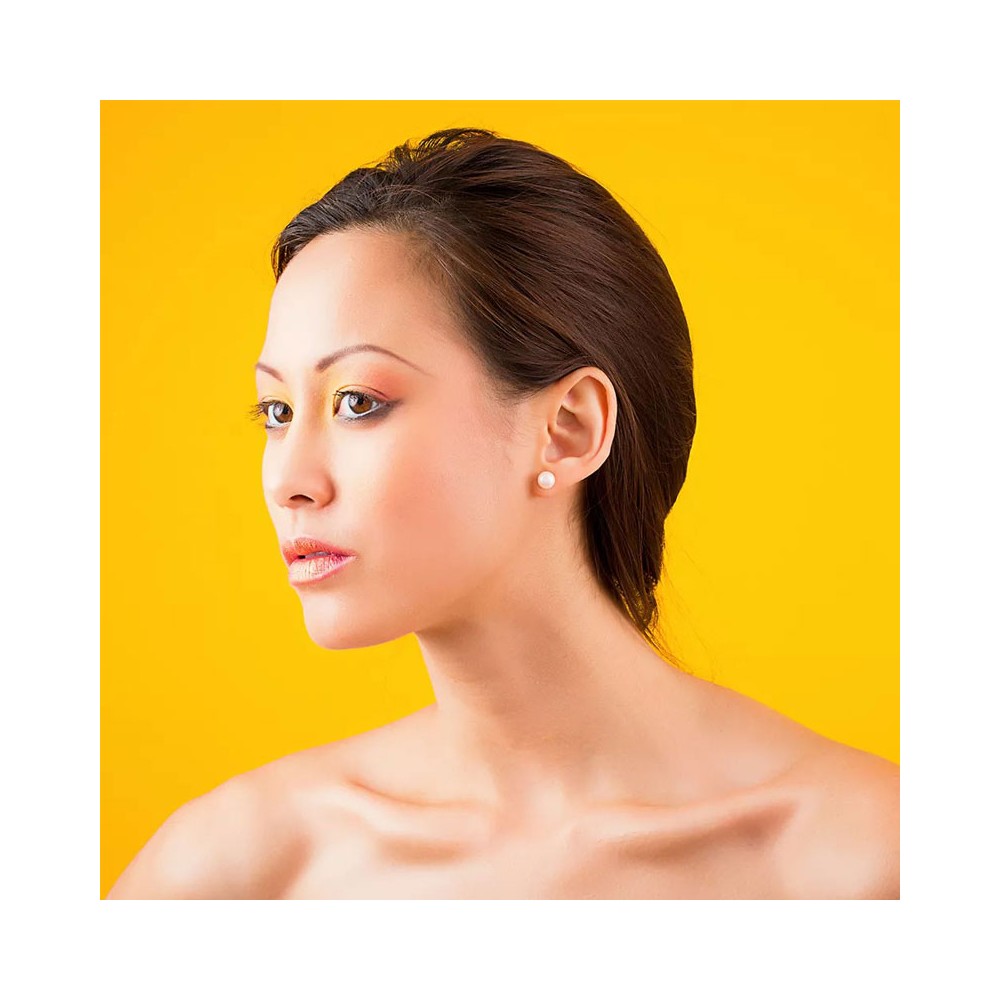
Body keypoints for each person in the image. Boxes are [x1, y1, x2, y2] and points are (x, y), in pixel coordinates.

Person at [107, 127, 899, 900]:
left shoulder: (870, 865)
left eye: (357, 401)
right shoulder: (244, 869)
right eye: (276, 412)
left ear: (568, 429)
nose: (289, 480)